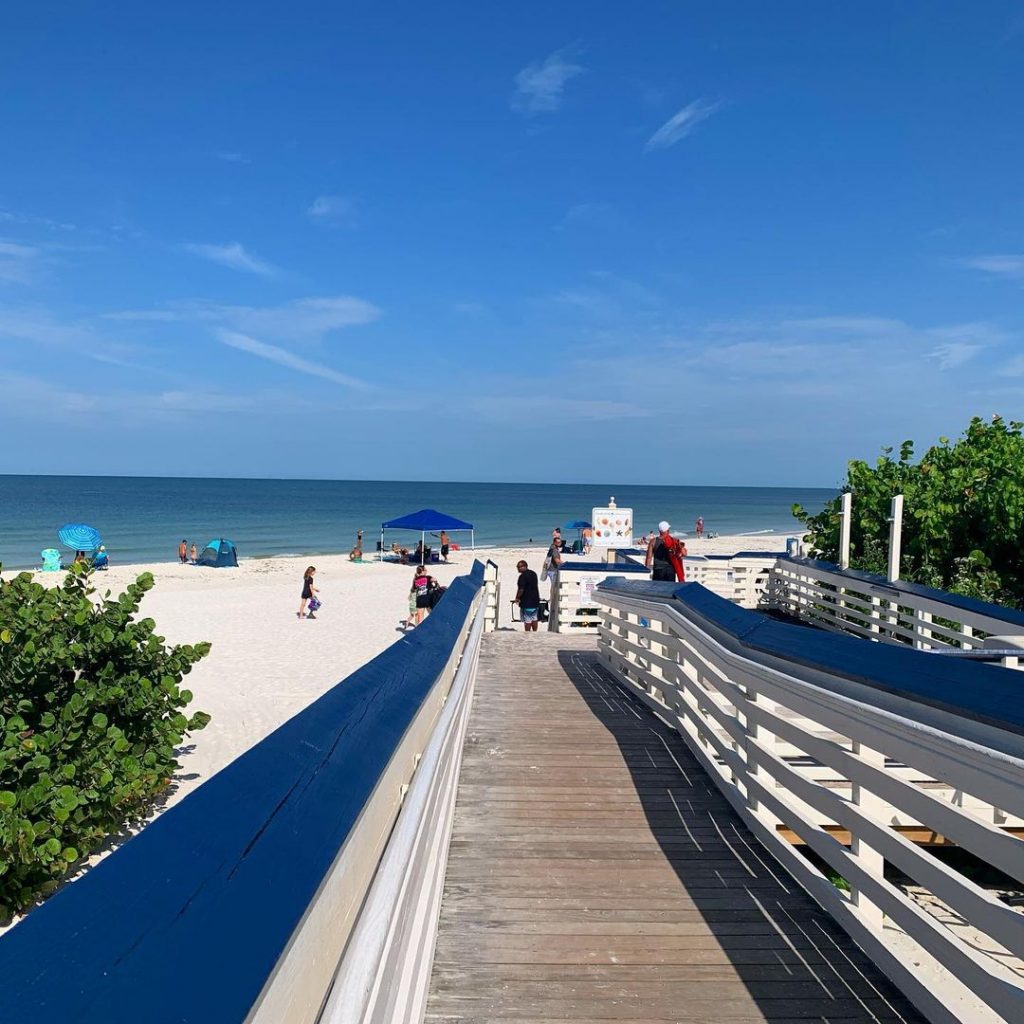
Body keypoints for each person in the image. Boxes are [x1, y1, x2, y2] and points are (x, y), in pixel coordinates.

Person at [514, 559, 542, 633]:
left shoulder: (522, 577)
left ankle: (527, 633)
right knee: (534, 618)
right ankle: (535, 632)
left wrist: (517, 598)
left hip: (527, 601)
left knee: (528, 619)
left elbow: (521, 589)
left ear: (524, 566)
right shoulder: (533, 573)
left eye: (519, 567)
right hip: (535, 599)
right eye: (517, 567)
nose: (518, 568)